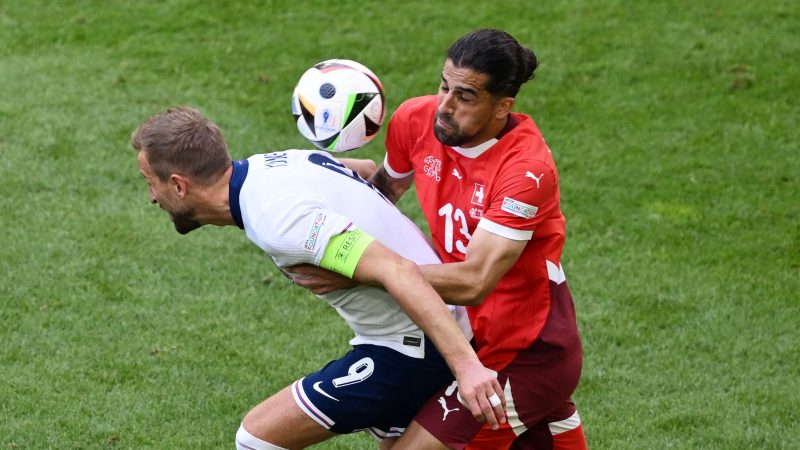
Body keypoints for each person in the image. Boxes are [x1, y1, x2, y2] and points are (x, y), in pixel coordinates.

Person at [128, 106, 506, 450]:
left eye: (151, 182)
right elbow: (359, 169)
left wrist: (467, 368)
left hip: (411, 349)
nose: (151, 197)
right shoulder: (277, 164)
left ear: (178, 185)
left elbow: (397, 270)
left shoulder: (279, 220)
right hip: (420, 330)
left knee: (256, 439)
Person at [293, 29, 588, 449]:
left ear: (503, 106)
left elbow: (474, 281)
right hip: (461, 336)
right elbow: (381, 198)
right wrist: (329, 175)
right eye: (444, 86)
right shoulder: (415, 120)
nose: (444, 106)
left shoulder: (526, 172)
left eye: (465, 97)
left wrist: (364, 274)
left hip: (526, 352)